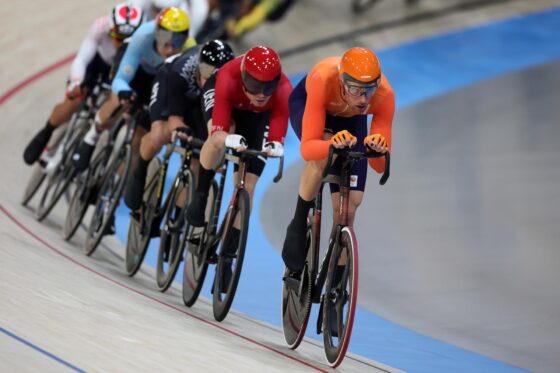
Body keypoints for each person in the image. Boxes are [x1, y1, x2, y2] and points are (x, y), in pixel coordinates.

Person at [281, 47, 395, 275]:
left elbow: (379, 166)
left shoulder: (384, 95)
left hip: (352, 121)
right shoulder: (323, 79)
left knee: (350, 206)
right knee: (321, 157)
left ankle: (337, 284)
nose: (363, 98)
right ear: (343, 82)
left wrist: (377, 149)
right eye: (355, 90)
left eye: (369, 90)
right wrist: (331, 144)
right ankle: (298, 223)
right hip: (311, 105)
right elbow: (308, 148)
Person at [185, 45, 292, 284]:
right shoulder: (227, 77)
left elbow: (276, 132)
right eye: (255, 86)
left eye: (268, 87)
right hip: (227, 102)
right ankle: (201, 193)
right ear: (244, 77)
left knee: (248, 187)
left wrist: (276, 144)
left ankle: (228, 255)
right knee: (216, 140)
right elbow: (218, 130)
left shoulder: (284, 89)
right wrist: (226, 137)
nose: (262, 93)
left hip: (256, 119)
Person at [72, 6, 196, 173]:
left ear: (186, 39)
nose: (170, 48)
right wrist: (123, 91)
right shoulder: (143, 35)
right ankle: (91, 136)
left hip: (157, 79)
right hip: (136, 69)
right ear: (156, 31)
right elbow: (120, 80)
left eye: (177, 42)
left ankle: (117, 178)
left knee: (141, 136)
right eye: (164, 37)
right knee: (117, 99)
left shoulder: (189, 48)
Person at [22, 3, 144, 166]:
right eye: (117, 37)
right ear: (109, 28)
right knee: (74, 100)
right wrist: (76, 82)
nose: (121, 43)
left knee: (115, 111)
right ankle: (47, 131)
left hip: (122, 69)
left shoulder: (145, 40)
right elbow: (81, 59)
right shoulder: (100, 27)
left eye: (127, 39)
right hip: (98, 63)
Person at [124, 39, 235, 211]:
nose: (210, 79)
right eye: (206, 72)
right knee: (159, 134)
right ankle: (139, 172)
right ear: (199, 67)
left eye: (216, 76)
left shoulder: (228, 86)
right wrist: (179, 129)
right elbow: (175, 119)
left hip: (197, 103)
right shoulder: (181, 72)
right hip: (169, 84)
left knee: (198, 165)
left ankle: (174, 223)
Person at [131, 0, 209, 38]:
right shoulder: (138, 3)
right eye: (157, 10)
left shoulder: (198, 11)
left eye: (167, 12)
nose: (160, 15)